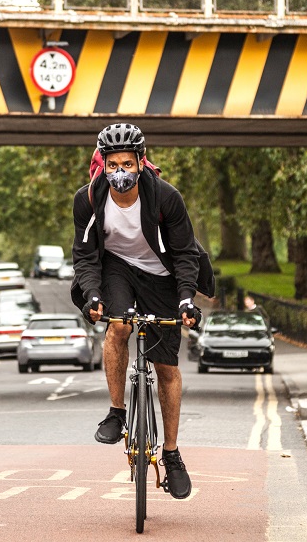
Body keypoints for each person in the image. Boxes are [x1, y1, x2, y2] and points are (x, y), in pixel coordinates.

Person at [70, 123, 203, 500]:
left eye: (127, 163)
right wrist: (93, 295)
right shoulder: (89, 199)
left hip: (162, 277)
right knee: (117, 328)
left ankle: (172, 454)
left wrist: (185, 298)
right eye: (113, 165)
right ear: (103, 163)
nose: (120, 173)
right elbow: (84, 255)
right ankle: (116, 412)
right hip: (117, 269)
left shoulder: (165, 198)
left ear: (141, 163)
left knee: (167, 368)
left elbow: (184, 254)